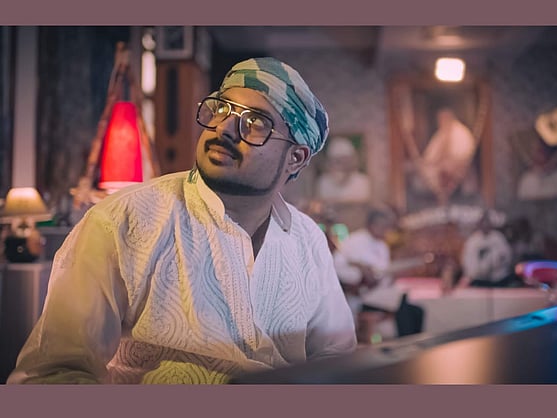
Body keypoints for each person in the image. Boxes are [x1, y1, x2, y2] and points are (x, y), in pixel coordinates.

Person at [8, 57, 357, 384]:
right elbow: (50, 376)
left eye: (254, 123)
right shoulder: (122, 221)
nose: (224, 129)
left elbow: (336, 360)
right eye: (221, 109)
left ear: (295, 158)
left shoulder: (307, 239)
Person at [332, 207, 424, 340]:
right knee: (403, 306)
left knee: (417, 311)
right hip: (362, 295)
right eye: (384, 226)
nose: (387, 231)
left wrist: (391, 275)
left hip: (379, 291)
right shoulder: (354, 241)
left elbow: (383, 271)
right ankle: (407, 344)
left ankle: (415, 343)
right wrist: (361, 271)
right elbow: (340, 268)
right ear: (373, 225)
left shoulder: (382, 245)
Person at [417, 107, 477, 206]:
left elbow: (464, 155)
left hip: (457, 165)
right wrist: (430, 162)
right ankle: (440, 197)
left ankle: (447, 197)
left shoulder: (461, 132)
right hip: (439, 165)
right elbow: (432, 154)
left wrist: (446, 161)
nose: (440, 122)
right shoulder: (442, 133)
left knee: (445, 171)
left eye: (443, 119)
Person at [459, 211, 521, 288]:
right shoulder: (473, 241)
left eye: (487, 223)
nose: (485, 226)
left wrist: (494, 263)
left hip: (498, 279)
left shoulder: (498, 238)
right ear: (479, 224)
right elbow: (467, 261)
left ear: (491, 224)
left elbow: (506, 256)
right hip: (478, 280)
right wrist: (478, 271)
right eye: (483, 223)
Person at [315, 136, 372, 204]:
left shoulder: (362, 182)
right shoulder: (323, 182)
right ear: (329, 163)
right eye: (337, 161)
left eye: (346, 161)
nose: (342, 166)